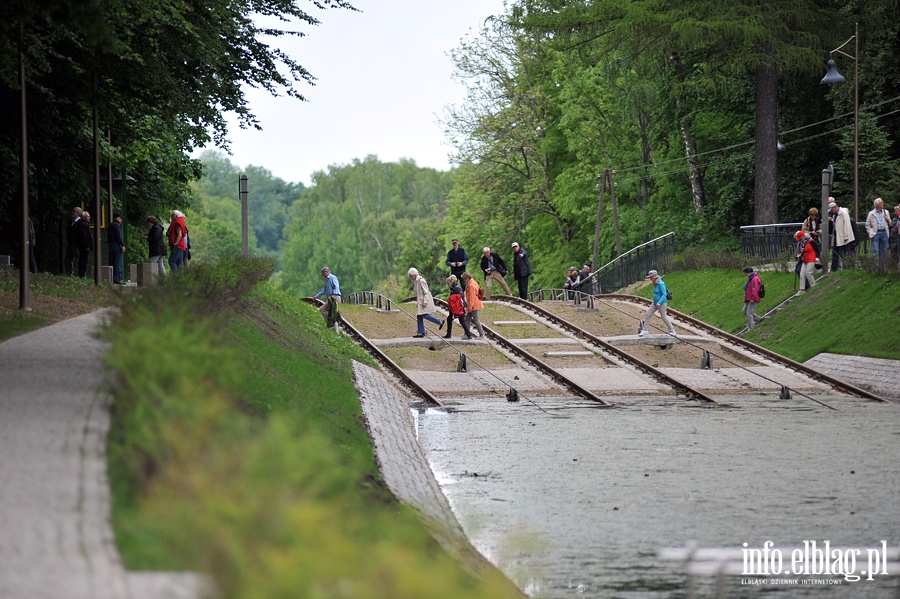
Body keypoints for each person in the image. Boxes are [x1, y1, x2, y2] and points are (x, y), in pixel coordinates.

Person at [638, 269, 676, 337]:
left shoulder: (661, 283)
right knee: (648, 314)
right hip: (655, 303)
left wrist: (659, 302)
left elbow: (664, 294)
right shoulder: (655, 283)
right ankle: (645, 330)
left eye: (650, 277)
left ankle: (672, 331)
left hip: (662, 303)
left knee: (663, 317)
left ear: (654, 277)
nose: (649, 279)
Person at [408, 267, 444, 338]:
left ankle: (439, 321)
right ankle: (421, 332)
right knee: (419, 315)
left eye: (410, 275)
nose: (410, 277)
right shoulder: (416, 281)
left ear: (414, 275)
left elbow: (426, 292)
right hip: (420, 301)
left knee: (423, 314)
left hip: (424, 300)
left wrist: (425, 301)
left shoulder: (421, 281)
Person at [827, 200, 854, 272]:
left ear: (834, 207)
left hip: (844, 237)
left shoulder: (843, 213)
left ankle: (847, 267)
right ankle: (834, 268)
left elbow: (846, 225)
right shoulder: (834, 215)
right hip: (837, 236)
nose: (831, 211)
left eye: (831, 209)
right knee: (835, 252)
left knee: (845, 253)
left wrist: (846, 236)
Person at [443, 275, 473, 339]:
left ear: (451, 282)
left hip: (458, 307)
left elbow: (460, 296)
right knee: (450, 319)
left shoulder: (457, 288)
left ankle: (468, 334)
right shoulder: (454, 288)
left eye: (448, 283)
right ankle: (449, 334)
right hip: (454, 307)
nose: (448, 284)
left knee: (461, 320)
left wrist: (452, 299)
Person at [461, 272, 486, 338]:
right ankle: (466, 333)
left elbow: (471, 297)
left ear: (467, 278)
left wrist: (469, 307)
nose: (464, 280)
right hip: (474, 304)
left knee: (476, 320)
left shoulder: (471, 285)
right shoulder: (473, 282)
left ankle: (482, 334)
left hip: (473, 306)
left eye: (464, 279)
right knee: (467, 319)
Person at [108, 212, 126, 284]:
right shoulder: (117, 225)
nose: (121, 220)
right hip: (117, 245)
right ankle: (119, 279)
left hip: (111, 245)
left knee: (112, 262)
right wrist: (123, 245)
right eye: (121, 218)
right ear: (117, 218)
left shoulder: (110, 226)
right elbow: (119, 236)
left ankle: (112, 279)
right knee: (118, 263)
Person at [65, 207, 83, 276]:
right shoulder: (71, 222)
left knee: (78, 259)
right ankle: (69, 273)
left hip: (76, 244)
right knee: (68, 260)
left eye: (74, 211)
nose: (72, 213)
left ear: (78, 213)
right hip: (70, 244)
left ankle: (80, 274)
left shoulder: (80, 223)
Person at [76, 211, 93, 278]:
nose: (89, 217)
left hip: (84, 246)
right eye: (87, 216)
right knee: (83, 261)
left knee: (84, 261)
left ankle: (82, 274)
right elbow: (84, 236)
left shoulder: (84, 224)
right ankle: (82, 275)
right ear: (84, 217)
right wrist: (86, 245)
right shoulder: (83, 225)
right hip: (83, 247)